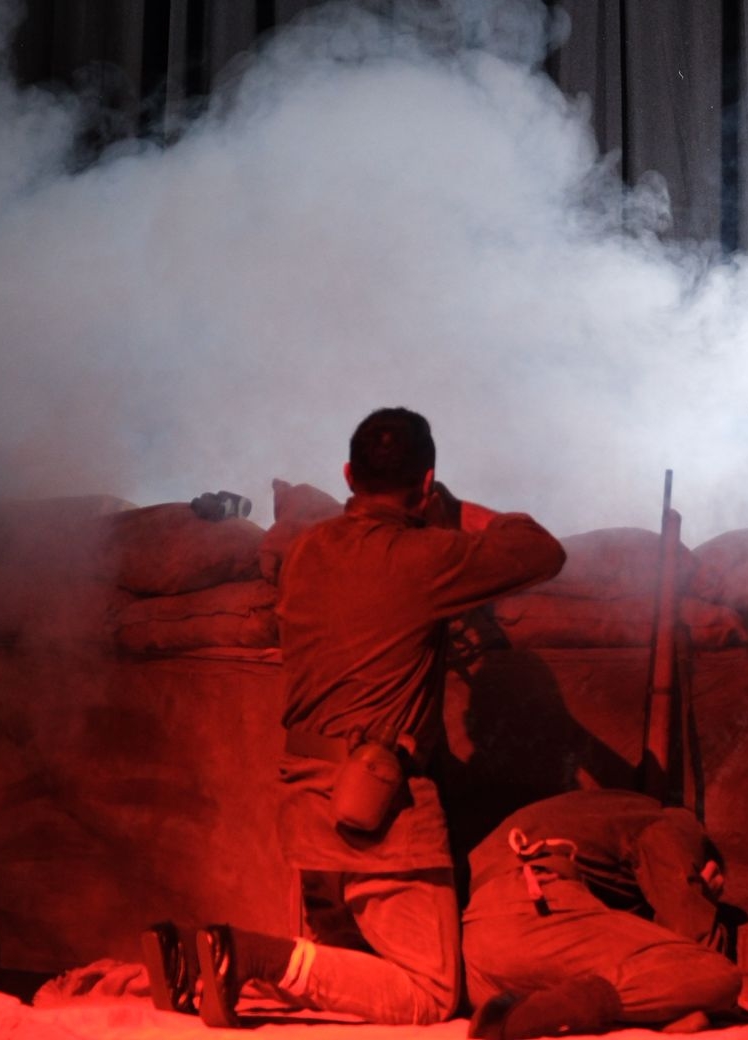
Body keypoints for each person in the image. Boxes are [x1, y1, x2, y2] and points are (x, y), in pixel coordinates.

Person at [143, 407, 566, 1028]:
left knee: (345, 968)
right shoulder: (427, 559)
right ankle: (248, 954)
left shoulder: (308, 551)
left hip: (307, 809)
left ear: (348, 473)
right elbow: (540, 550)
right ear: (424, 483)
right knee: (428, 993)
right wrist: (454, 509)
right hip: (381, 820)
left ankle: (195, 950)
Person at [461, 789, 740, 1038]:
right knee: (717, 975)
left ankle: (527, 1012)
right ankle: (546, 1011)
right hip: (535, 904)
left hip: (482, 962)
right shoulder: (672, 825)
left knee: (640, 987)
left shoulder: (607, 815)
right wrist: (700, 896)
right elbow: (692, 948)